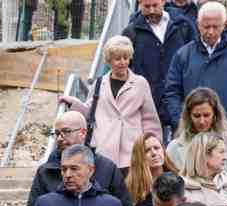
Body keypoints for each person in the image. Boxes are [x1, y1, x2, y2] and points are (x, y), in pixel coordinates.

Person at [163, 2, 227, 161]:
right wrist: (182, 121)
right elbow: (172, 91)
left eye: (216, 27)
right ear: (198, 25)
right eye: (206, 27)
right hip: (192, 136)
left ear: (224, 25)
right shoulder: (183, 55)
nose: (210, 32)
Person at [59, 36, 162, 172]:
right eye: (117, 58)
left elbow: (150, 119)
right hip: (104, 149)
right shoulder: (99, 83)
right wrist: (74, 103)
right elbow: (90, 111)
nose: (122, 62)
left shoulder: (140, 83)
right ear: (109, 60)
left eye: (126, 57)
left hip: (132, 151)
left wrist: (154, 146)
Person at [27, 111, 135, 206]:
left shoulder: (107, 168)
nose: (60, 138)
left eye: (66, 132)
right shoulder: (45, 172)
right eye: (57, 133)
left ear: (83, 132)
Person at [122, 0, 196, 139]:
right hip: (147, 103)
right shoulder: (131, 32)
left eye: (155, 5)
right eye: (146, 7)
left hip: (180, 99)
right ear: (139, 5)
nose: (151, 10)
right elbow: (123, 65)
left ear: (163, 2)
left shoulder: (183, 25)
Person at [165, 88, 227, 191]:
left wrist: (221, 183)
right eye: (197, 116)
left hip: (224, 202)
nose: (202, 121)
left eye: (206, 115)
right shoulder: (175, 147)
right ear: (188, 116)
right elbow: (168, 183)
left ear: (215, 115)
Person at [127, 133, 181, 206]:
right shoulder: (132, 189)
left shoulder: (178, 180)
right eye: (147, 150)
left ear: (163, 150)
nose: (154, 153)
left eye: (156, 148)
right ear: (139, 157)